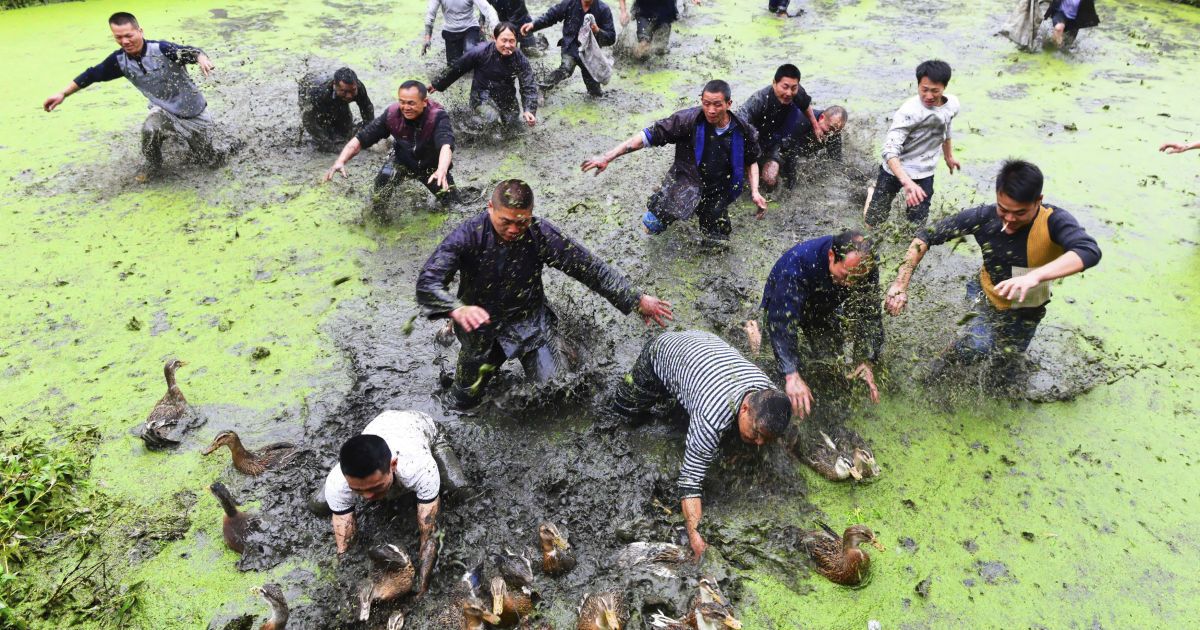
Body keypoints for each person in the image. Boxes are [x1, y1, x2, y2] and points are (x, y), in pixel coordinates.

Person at [416, 179, 675, 408]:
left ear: (530, 215)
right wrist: (456, 309)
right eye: (505, 221)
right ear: (490, 208)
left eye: (522, 221)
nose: (514, 230)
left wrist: (636, 299)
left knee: (557, 389)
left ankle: (563, 347)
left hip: (530, 322)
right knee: (461, 401)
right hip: (481, 328)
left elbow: (589, 268)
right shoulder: (467, 236)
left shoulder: (539, 233)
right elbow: (428, 282)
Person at [884, 160, 1102, 375]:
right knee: (977, 346)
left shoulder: (1053, 221)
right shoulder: (984, 217)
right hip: (985, 293)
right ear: (997, 196)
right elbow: (924, 238)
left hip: (1030, 302)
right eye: (1004, 209)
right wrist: (900, 284)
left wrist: (1035, 277)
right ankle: (947, 357)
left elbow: (1089, 250)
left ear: (1038, 201)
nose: (1008, 220)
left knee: (1008, 363)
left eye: (1019, 213)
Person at [611, 330, 792, 559]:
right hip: (665, 350)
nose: (759, 442)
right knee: (623, 413)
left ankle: (680, 401)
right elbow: (689, 481)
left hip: (707, 349)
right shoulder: (711, 417)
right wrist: (694, 533)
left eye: (766, 439)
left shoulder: (769, 393)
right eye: (757, 433)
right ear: (745, 409)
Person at [43, 12, 222, 182]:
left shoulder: (162, 49)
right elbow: (91, 75)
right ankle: (154, 166)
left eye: (129, 35)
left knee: (209, 160)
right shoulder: (119, 61)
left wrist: (201, 58)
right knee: (150, 128)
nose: (125, 41)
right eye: (118, 37)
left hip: (194, 113)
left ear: (140, 31)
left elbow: (190, 51)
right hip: (164, 111)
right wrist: (63, 93)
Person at [581, 80, 768, 242]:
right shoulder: (687, 120)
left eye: (717, 105)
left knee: (718, 241)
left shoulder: (743, 131)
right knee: (651, 225)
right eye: (706, 103)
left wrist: (754, 191)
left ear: (728, 103)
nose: (711, 110)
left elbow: (751, 161)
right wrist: (607, 157)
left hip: (718, 190)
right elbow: (647, 136)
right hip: (685, 182)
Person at [310, 410, 467, 596]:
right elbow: (345, 549)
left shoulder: (419, 468)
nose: (367, 497)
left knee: (458, 490)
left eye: (375, 487)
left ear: (393, 465)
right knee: (319, 504)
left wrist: (421, 587)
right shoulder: (339, 482)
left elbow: (429, 536)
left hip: (423, 429)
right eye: (358, 489)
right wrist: (346, 583)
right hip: (383, 427)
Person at [752, 231, 883, 419]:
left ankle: (820, 411)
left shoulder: (867, 265)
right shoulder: (797, 265)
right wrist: (790, 373)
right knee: (774, 367)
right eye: (846, 275)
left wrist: (866, 359)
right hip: (782, 299)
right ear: (831, 256)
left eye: (857, 279)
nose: (850, 284)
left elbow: (869, 312)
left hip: (824, 306)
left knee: (829, 365)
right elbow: (781, 323)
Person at [324, 81, 455, 206]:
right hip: (401, 162)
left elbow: (446, 145)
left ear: (424, 102)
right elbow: (361, 138)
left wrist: (441, 170)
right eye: (402, 102)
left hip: (432, 168)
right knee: (377, 198)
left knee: (452, 203)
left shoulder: (437, 117)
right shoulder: (392, 114)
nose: (406, 108)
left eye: (411, 103)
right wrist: (340, 161)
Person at [863, 60, 961, 229]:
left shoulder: (952, 105)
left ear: (944, 87)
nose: (929, 96)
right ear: (918, 85)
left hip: (924, 172)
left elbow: (946, 127)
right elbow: (889, 151)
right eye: (924, 90)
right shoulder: (909, 111)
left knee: (916, 228)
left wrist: (948, 156)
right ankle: (872, 194)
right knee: (873, 223)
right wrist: (907, 183)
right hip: (894, 170)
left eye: (935, 91)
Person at [429, 23, 539, 135]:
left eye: (511, 41)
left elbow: (528, 85)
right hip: (481, 97)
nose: (507, 45)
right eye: (504, 40)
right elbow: (457, 68)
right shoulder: (480, 52)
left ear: (516, 41)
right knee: (491, 118)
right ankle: (461, 126)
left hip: (507, 98)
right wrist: (438, 83)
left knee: (514, 130)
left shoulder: (520, 59)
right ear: (494, 38)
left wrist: (529, 109)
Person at [735, 64, 823, 192]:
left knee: (770, 179)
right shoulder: (759, 100)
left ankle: (771, 193)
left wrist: (816, 126)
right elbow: (739, 121)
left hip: (776, 141)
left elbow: (805, 105)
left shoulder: (797, 92)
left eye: (793, 88)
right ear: (774, 83)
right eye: (785, 87)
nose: (789, 93)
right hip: (754, 140)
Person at [521, 0, 616, 97]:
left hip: (590, 54)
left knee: (595, 92)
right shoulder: (569, 3)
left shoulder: (603, 9)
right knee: (566, 69)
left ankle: (594, 94)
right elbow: (551, 16)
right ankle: (542, 88)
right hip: (570, 47)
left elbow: (611, 37)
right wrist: (533, 25)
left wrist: (597, 31)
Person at [298, 67, 375, 152]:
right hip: (310, 87)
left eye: (352, 91)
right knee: (323, 129)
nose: (349, 96)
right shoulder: (319, 92)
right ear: (335, 85)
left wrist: (367, 133)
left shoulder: (358, 87)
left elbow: (367, 109)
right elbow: (308, 121)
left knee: (346, 130)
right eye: (345, 91)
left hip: (336, 96)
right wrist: (328, 144)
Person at [424, 0, 501, 64]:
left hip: (470, 27)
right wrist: (427, 38)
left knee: (470, 52)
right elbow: (431, 14)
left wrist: (497, 33)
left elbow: (488, 9)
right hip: (450, 30)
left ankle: (481, 43)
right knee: (454, 67)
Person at [617, 0, 698, 59]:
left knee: (660, 50)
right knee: (643, 46)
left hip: (666, 14)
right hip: (644, 11)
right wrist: (623, 11)